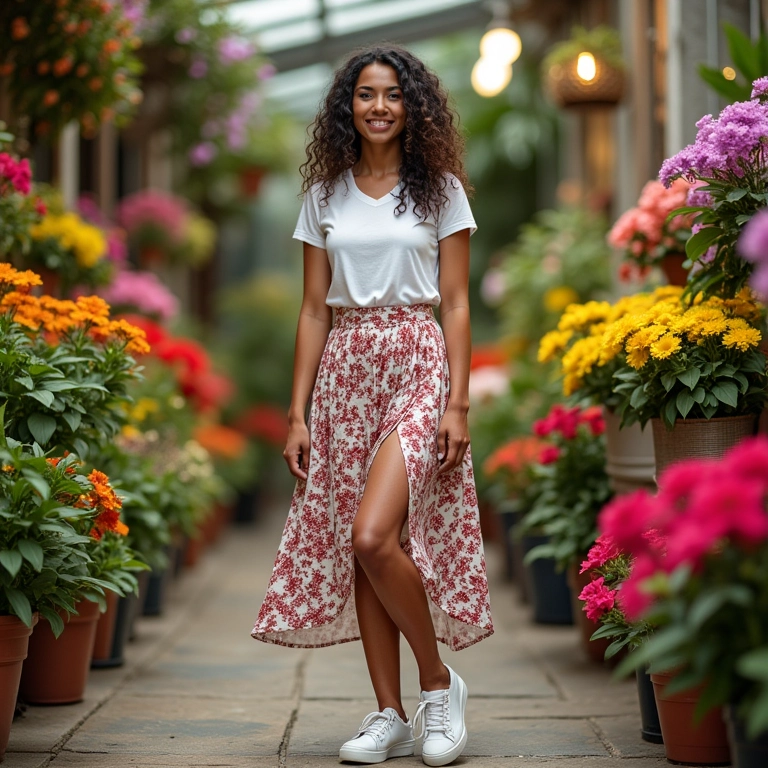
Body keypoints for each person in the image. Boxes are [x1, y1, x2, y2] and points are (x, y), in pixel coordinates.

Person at [251, 44, 493, 767]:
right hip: (345, 375)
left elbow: (455, 303)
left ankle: (438, 685)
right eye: (364, 94)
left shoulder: (441, 190)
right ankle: (388, 713)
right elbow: (312, 313)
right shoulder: (323, 196)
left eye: (391, 94)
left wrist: (457, 402)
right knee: (367, 553)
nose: (378, 106)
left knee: (370, 534)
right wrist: (296, 413)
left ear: (411, 104)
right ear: (346, 107)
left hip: (418, 361)